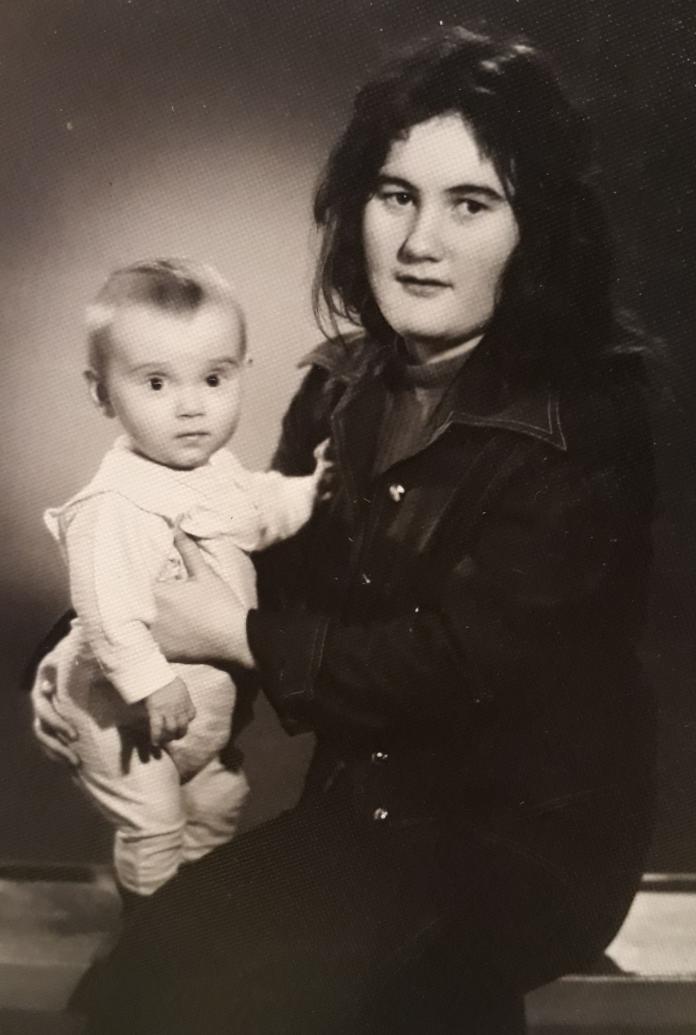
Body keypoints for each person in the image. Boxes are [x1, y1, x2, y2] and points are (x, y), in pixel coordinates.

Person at [31, 26, 657, 1034]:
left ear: (534, 227)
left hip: (528, 836)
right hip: (365, 812)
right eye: (396, 194)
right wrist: (78, 660)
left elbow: (460, 664)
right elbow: (231, 555)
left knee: (346, 992)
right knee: (141, 990)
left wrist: (232, 641)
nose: (420, 243)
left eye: (471, 203)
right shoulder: (341, 384)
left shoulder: (589, 416)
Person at [41, 258, 329, 902]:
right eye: (155, 383)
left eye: (214, 377)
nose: (192, 406)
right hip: (122, 714)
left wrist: (313, 491)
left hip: (201, 727)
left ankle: (191, 922)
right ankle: (147, 931)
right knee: (155, 824)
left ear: (242, 375)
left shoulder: (218, 472)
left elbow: (260, 508)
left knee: (217, 804)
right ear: (100, 392)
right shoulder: (115, 501)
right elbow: (104, 608)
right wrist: (150, 682)